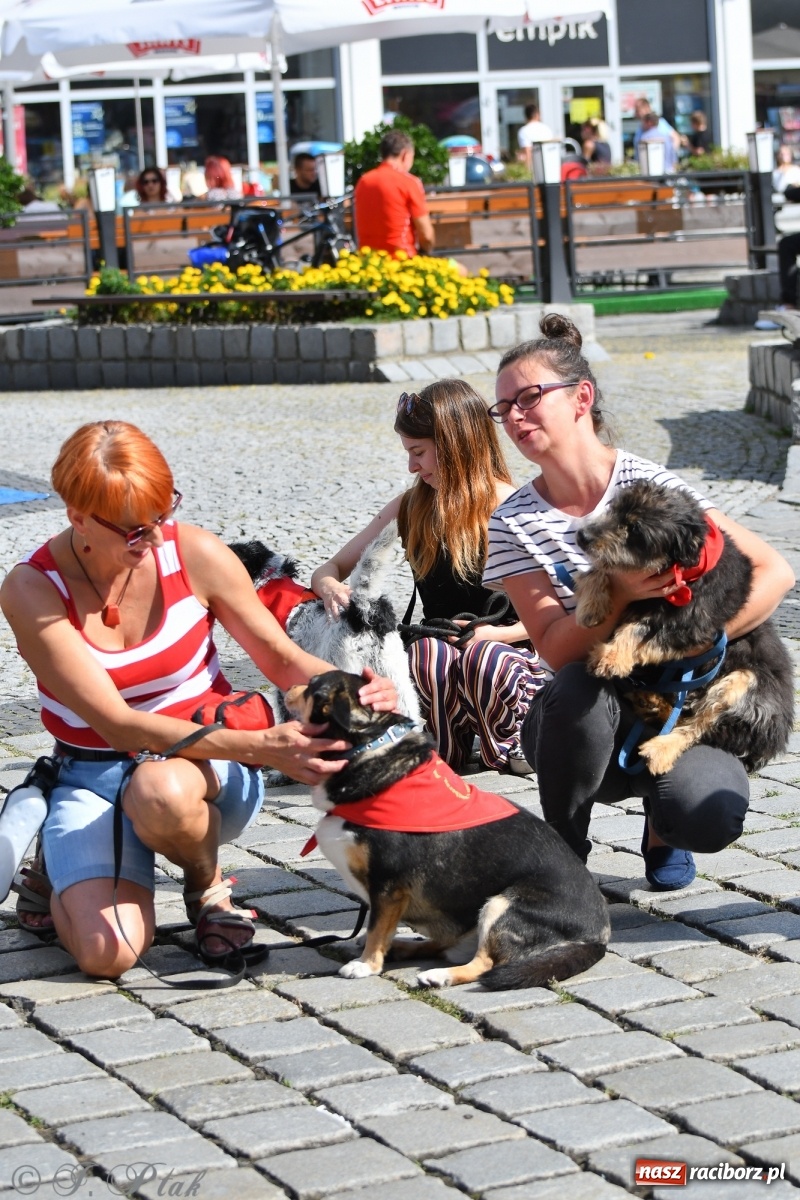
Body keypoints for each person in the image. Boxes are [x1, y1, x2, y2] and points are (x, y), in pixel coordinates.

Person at [0, 421, 397, 977]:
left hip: (197, 771)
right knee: (107, 954)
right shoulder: (31, 589)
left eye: (164, 515)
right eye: (137, 531)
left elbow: (281, 659)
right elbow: (117, 725)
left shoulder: (194, 551)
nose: (158, 538)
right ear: (79, 518)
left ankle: (206, 888)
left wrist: (350, 686)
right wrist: (263, 744)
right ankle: (52, 874)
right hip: (92, 773)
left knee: (159, 786)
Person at [483, 314, 794, 890]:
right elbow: (553, 648)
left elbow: (775, 571)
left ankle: (663, 824)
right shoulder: (512, 522)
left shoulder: (652, 489)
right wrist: (621, 592)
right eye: (504, 409)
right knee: (575, 687)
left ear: (581, 398)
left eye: (529, 398)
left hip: (686, 691)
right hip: (586, 712)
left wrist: (699, 639)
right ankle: (564, 857)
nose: (515, 417)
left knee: (706, 811)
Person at [311, 381, 548, 775]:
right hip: (444, 653)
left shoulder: (511, 507)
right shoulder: (411, 505)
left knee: (483, 659)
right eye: (409, 453)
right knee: (425, 655)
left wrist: (496, 634)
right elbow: (329, 568)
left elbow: (561, 608)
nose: (412, 467)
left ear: (457, 444)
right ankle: (444, 750)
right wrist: (331, 587)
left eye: (418, 453)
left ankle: (513, 741)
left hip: (510, 652)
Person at [353, 129, 434, 257]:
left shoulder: (363, 181)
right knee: (461, 271)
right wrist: (425, 252)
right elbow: (427, 235)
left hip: (368, 262)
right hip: (402, 259)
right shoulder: (409, 182)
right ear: (405, 155)